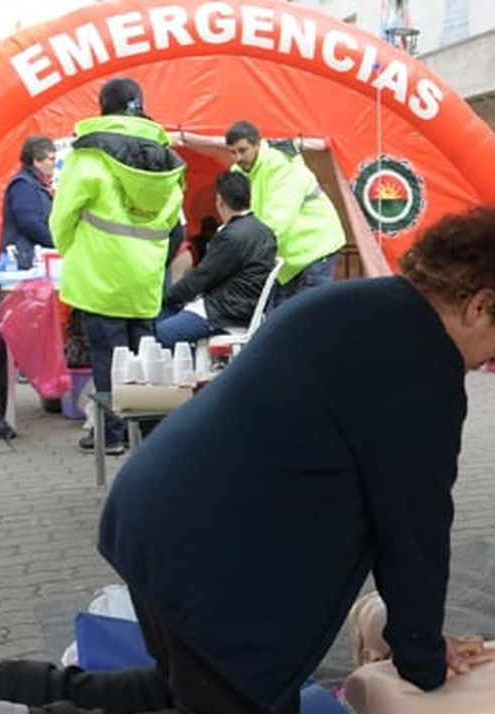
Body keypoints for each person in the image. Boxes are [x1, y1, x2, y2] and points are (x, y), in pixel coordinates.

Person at [0, 208, 495, 714]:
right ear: (478, 304)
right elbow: (415, 527)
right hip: (209, 557)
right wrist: (420, 656)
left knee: (196, 692)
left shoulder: (353, 303)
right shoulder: (423, 364)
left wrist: (412, 635)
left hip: (153, 517)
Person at [50, 77, 186, 455]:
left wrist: (72, 250)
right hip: (144, 275)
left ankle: (110, 436)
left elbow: (62, 216)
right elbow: (174, 218)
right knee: (145, 354)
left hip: (99, 273)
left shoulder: (89, 155)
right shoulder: (166, 158)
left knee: (108, 356)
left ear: (102, 107)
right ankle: (145, 436)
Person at [177, 121, 347, 311]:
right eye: (232, 152)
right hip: (285, 259)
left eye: (243, 150)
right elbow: (236, 216)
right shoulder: (237, 173)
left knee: (307, 316)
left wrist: (243, 253)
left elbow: (277, 222)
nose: (238, 158)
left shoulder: (281, 165)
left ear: (257, 144)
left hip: (315, 248)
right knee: (279, 319)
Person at [156, 171, 278, 348]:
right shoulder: (265, 232)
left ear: (220, 201)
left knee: (160, 333)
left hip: (223, 311)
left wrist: (168, 297)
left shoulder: (230, 236)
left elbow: (202, 277)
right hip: (245, 308)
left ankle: (186, 374)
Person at [0, 136, 56, 271]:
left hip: (32, 259)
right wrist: (57, 243)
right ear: (36, 161)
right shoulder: (23, 186)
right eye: (51, 159)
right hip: (22, 261)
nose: (54, 163)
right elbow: (30, 224)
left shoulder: (37, 185)